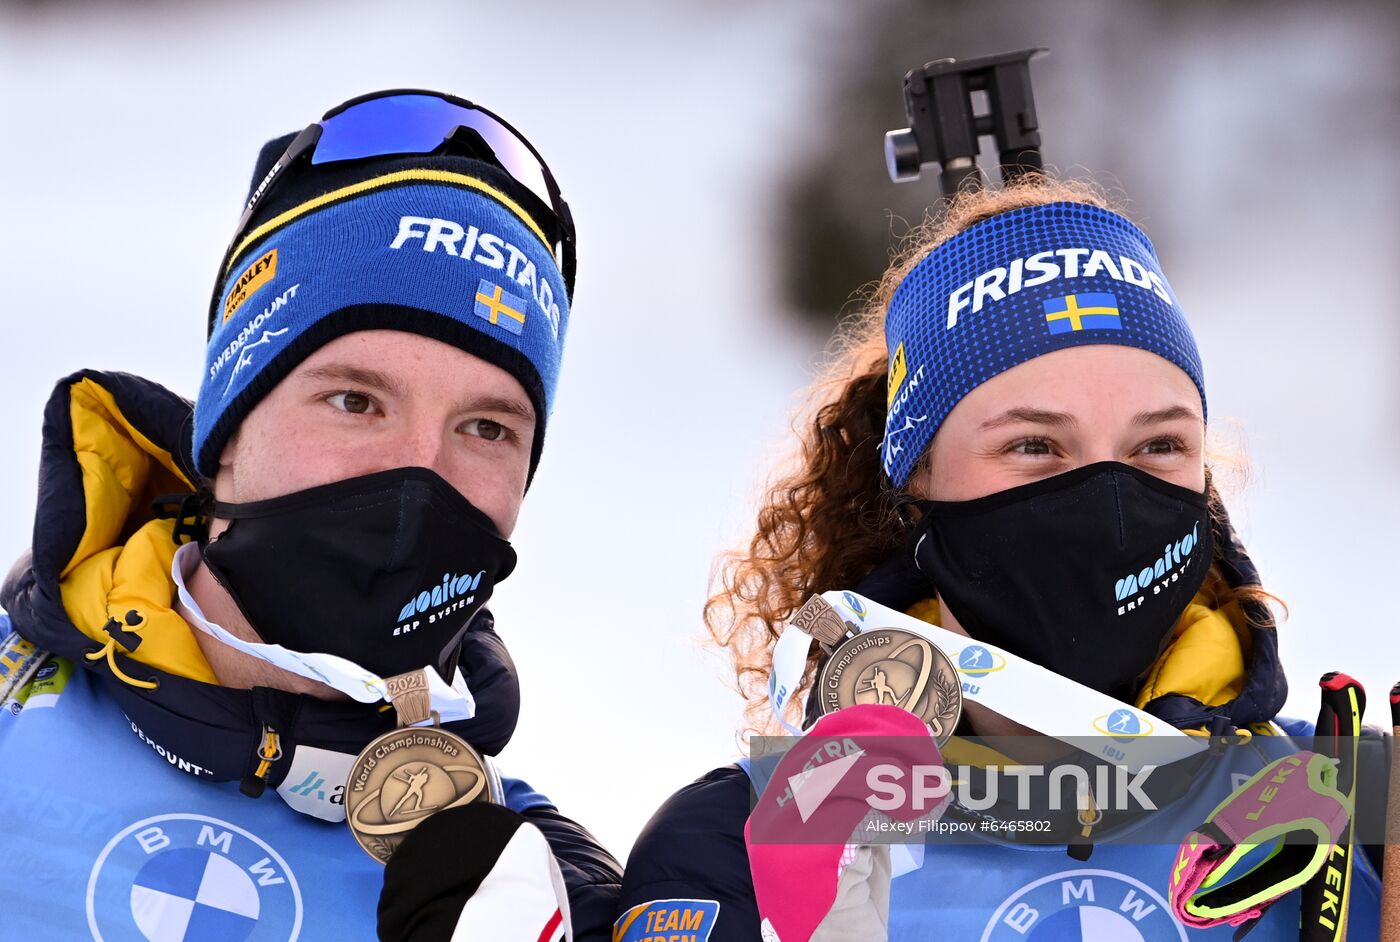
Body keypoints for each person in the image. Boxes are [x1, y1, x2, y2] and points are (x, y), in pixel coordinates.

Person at [615, 179, 1383, 940]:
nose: (1109, 501)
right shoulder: (735, 846)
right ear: (915, 482)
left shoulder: (1365, 810)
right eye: (1033, 446)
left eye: (1159, 446)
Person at [0, 89, 619, 940]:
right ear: (226, 428)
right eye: (356, 401)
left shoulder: (522, 886)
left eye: (485, 427)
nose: (418, 474)